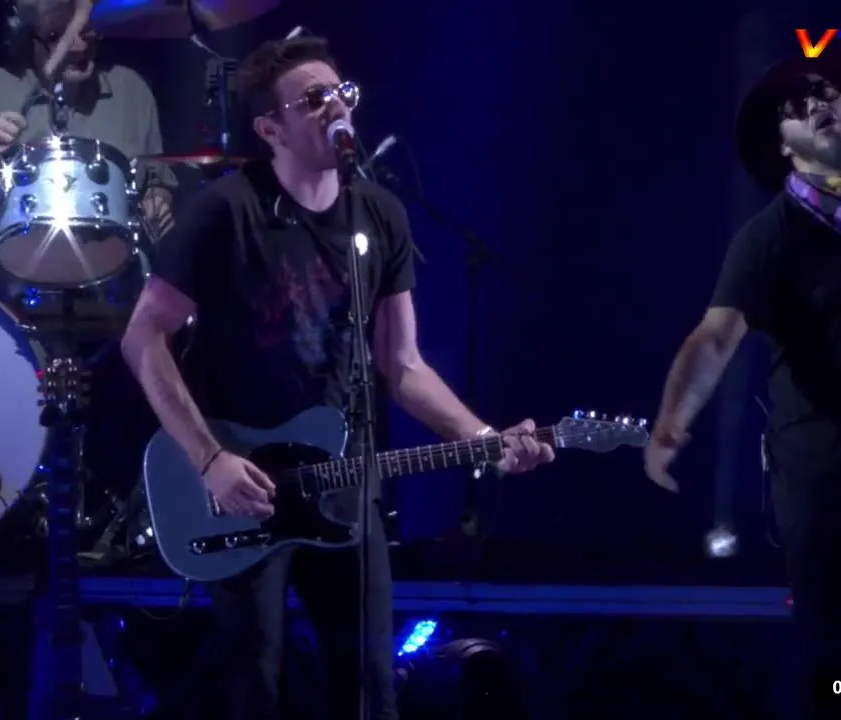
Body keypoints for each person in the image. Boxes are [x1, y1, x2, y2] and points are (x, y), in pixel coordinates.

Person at [120, 35, 553, 720]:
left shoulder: (379, 214)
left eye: (340, 92)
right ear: (271, 129)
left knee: (369, 682)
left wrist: (482, 438)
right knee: (253, 676)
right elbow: (143, 335)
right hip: (241, 483)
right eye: (313, 99)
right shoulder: (228, 210)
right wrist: (209, 459)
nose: (335, 106)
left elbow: (402, 365)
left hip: (343, 481)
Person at [643, 53, 841, 716]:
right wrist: (671, 426)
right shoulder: (772, 236)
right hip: (825, 481)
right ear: (783, 146)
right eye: (795, 108)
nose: (817, 104)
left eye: (826, 93)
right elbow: (715, 337)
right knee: (833, 664)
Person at [0, 0, 173, 234]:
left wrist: (158, 202)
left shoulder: (131, 90)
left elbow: (158, 183)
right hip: (17, 254)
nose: (78, 46)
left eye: (85, 31)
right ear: (27, 40)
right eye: (55, 36)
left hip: (116, 252)